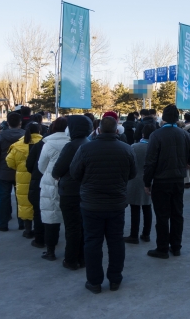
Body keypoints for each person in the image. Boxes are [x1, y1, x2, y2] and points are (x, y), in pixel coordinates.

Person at [70, 116, 137, 294]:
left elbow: (74, 173)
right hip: (116, 203)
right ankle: (115, 279)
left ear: (98, 129)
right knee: (116, 242)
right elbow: (132, 173)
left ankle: (94, 282)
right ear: (116, 130)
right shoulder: (126, 149)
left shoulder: (85, 149)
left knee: (92, 242)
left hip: (91, 204)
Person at [143, 105, 190, 259]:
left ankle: (162, 248)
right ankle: (176, 246)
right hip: (178, 180)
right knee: (177, 214)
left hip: (161, 181)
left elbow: (150, 162)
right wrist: (186, 162)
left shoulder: (156, 135)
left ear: (163, 117)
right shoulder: (184, 134)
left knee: (162, 215)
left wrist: (147, 182)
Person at [51, 115, 93, 270]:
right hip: (85, 191)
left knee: (72, 227)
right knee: (82, 226)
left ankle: (71, 259)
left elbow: (57, 170)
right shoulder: (88, 143)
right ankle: (82, 257)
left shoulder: (72, 146)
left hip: (70, 192)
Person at [37, 117, 70, 261]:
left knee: (51, 217)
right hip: (69, 182)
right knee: (70, 219)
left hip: (50, 182)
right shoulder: (73, 143)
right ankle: (71, 252)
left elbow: (41, 166)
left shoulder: (48, 144)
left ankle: (50, 250)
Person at [6, 122, 43, 239]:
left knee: (24, 203)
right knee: (40, 204)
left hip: (23, 178)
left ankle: (27, 230)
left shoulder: (17, 145)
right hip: (40, 177)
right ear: (39, 130)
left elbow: (10, 162)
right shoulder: (44, 143)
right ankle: (41, 230)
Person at [0, 112, 25, 231]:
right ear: (20, 123)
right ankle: (23, 223)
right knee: (21, 198)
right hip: (21, 172)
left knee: (3, 198)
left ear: (8, 123)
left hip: (4, 172)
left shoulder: (1, 136)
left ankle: (3, 223)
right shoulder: (26, 136)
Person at [124, 124, 156, 244]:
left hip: (134, 180)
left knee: (135, 208)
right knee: (148, 207)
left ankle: (134, 235)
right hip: (151, 180)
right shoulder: (156, 147)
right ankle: (146, 234)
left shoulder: (134, 147)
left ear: (143, 134)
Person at [26, 130, 47, 248]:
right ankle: (50, 241)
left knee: (38, 211)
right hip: (56, 182)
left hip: (39, 181)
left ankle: (40, 239)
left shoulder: (40, 144)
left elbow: (29, 164)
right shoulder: (69, 144)